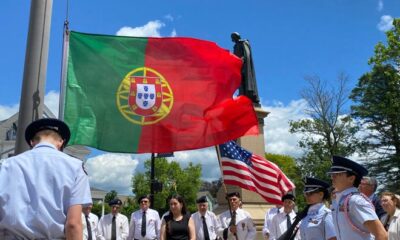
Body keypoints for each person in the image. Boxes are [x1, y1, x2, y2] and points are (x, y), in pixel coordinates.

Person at [0, 118, 92, 239]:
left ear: (32, 142)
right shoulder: (75, 167)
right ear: (60, 143)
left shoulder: (5, 165)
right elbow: (73, 224)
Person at [328, 155, 387, 240]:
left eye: (337, 174)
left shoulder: (356, 201)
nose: (332, 177)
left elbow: (382, 235)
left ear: (351, 178)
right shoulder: (339, 201)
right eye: (332, 174)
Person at [231, 32, 260, 106]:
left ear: (236, 37)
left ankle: (248, 95)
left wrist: (241, 60)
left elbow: (247, 54)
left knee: (246, 81)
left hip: (244, 66)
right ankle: (242, 95)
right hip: (238, 66)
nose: (232, 39)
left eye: (233, 37)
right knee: (240, 82)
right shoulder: (235, 46)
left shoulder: (243, 42)